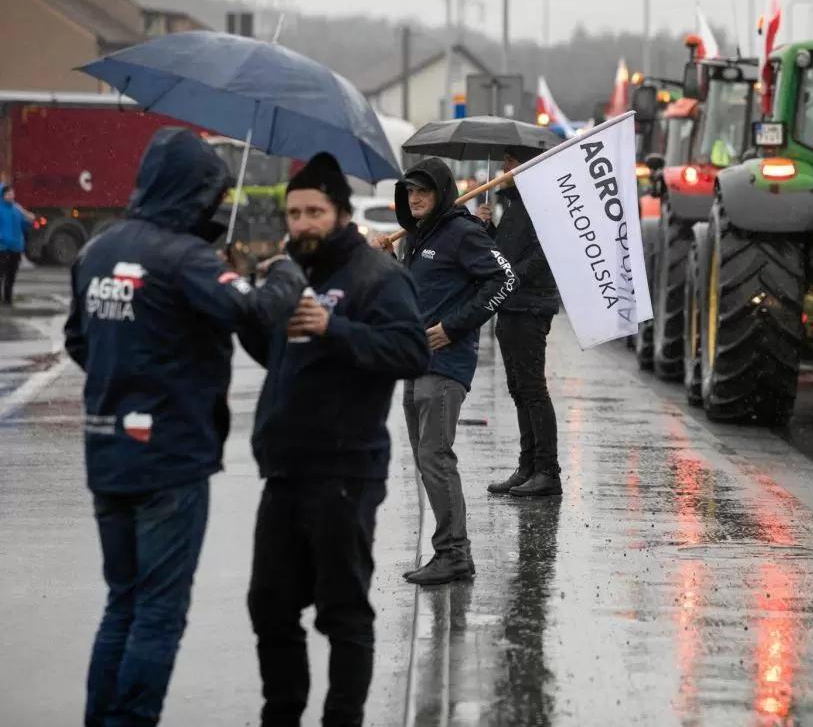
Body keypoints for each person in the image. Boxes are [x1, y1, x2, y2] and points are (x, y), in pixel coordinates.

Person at [63, 127, 307, 727]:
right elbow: (251, 310)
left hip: (106, 449)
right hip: (169, 457)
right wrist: (285, 272)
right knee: (159, 612)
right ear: (193, 192)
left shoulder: (97, 248)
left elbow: (78, 340)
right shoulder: (184, 258)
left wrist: (129, 374)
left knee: (121, 603)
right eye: (211, 194)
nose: (217, 205)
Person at [240, 152, 430, 727]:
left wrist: (334, 328)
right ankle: (282, 713)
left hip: (345, 472)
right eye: (294, 213)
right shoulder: (291, 273)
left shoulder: (376, 276)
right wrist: (251, 313)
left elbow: (411, 351)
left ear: (341, 214)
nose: (302, 223)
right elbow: (278, 356)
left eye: (314, 211)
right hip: (285, 469)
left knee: (343, 611)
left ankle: (341, 718)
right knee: (269, 605)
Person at [393, 157, 519, 586]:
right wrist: (389, 259)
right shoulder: (416, 238)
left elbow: (504, 281)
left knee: (434, 456)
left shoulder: (462, 233)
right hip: (415, 363)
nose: (415, 198)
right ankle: (449, 551)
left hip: (445, 367)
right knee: (426, 459)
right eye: (410, 191)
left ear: (442, 192)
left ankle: (454, 554)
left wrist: (453, 327)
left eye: (424, 191)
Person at [476, 151, 563, 497]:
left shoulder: (541, 202)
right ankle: (527, 466)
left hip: (530, 306)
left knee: (532, 387)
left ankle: (547, 471)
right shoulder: (515, 205)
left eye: (510, 163)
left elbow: (544, 253)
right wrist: (487, 229)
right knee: (517, 387)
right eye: (503, 163)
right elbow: (506, 251)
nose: (503, 169)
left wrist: (512, 277)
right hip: (511, 306)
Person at [0, 175, 34, 305]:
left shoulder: (17, 209)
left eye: (12, 194)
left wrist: (29, 220)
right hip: (2, 247)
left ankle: (7, 300)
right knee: (1, 274)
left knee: (11, 276)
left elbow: (24, 225)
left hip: (15, 247)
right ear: (3, 196)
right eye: (8, 194)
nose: (11, 196)